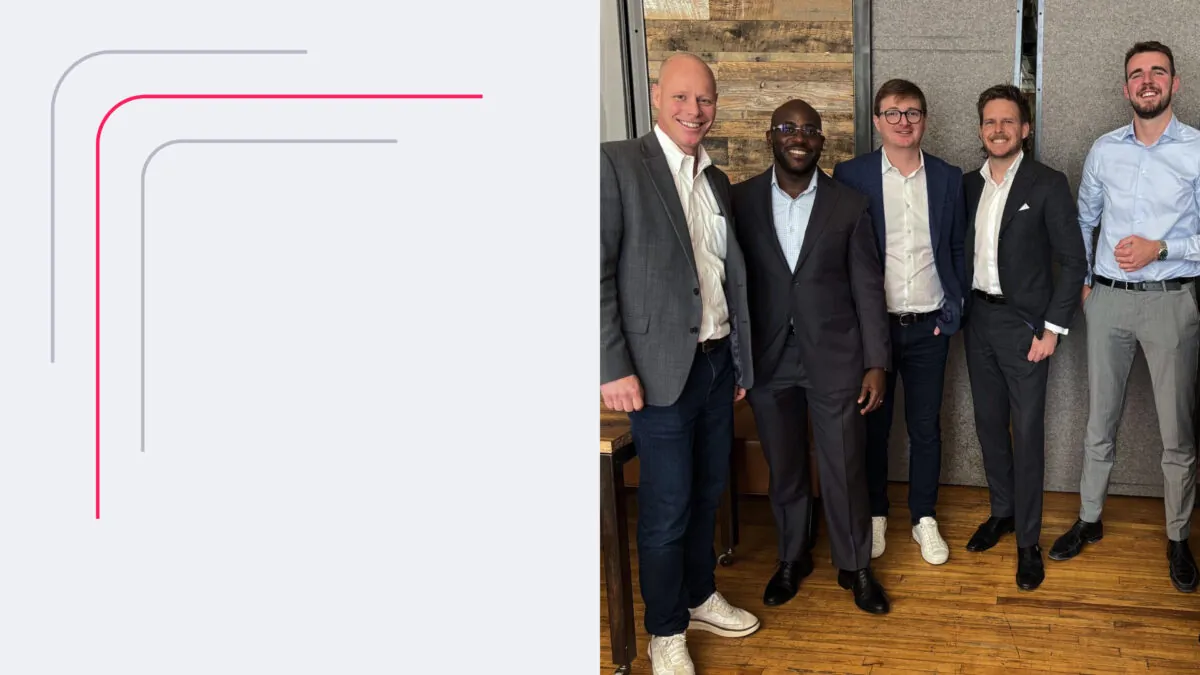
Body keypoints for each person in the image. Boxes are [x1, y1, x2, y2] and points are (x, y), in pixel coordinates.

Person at [600, 52, 759, 675]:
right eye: (683, 98)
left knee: (708, 490)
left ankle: (697, 596)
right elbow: (593, 272)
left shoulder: (715, 179)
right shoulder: (617, 164)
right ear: (657, 93)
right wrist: (612, 365)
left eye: (706, 100)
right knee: (666, 506)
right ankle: (664, 629)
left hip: (717, 364)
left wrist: (740, 360)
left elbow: (726, 276)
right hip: (656, 370)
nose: (695, 111)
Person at [1049, 41, 1200, 594]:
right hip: (1108, 302)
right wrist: (1088, 281)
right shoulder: (1104, 149)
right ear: (1125, 88)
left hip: (1171, 301)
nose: (1147, 81)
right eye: (1137, 74)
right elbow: (1084, 217)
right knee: (1099, 421)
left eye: (1157, 72)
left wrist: (1163, 249)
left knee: (1178, 432)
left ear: (1174, 84)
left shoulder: (1197, 150)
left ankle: (1178, 536)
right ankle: (1089, 519)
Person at [731, 99, 891, 614]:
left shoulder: (849, 204)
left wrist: (876, 362)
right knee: (785, 468)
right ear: (770, 137)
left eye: (808, 130)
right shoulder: (740, 201)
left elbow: (868, 288)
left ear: (822, 141)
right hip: (768, 359)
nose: (798, 137)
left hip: (837, 358)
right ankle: (791, 557)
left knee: (845, 466)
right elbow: (731, 285)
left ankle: (855, 565)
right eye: (787, 128)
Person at [831, 79, 967, 565]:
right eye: (893, 113)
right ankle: (876, 515)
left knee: (926, 427)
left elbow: (955, 248)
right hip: (876, 331)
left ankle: (923, 517)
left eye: (912, 112)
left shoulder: (949, 177)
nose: (903, 121)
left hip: (930, 325)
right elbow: (843, 255)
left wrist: (952, 312)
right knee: (874, 427)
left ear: (924, 119)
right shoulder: (850, 175)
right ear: (877, 121)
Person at [960, 84, 1088, 591]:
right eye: (990, 121)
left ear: (1025, 129)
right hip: (978, 321)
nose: (998, 129)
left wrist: (1053, 330)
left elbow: (1074, 260)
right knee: (989, 423)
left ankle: (1028, 542)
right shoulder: (967, 185)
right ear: (980, 130)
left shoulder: (1047, 183)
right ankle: (1003, 512)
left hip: (1027, 328)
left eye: (1008, 121)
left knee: (1027, 432)